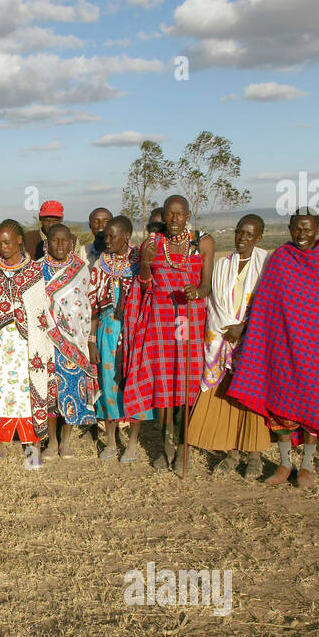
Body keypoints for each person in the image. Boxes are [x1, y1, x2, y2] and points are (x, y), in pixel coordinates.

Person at [227, 209, 319, 488]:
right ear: (290, 229)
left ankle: (307, 466)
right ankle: (284, 463)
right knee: (281, 405)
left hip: (315, 347)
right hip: (280, 344)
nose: (302, 235)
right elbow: (265, 301)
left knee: (312, 404)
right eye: (297, 229)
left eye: (308, 229)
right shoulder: (280, 258)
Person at [124, 194, 215, 471]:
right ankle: (165, 447)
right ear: (164, 216)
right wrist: (146, 264)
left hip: (189, 321)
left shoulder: (203, 242)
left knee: (186, 385)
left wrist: (195, 292)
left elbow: (206, 285)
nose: (174, 220)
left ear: (188, 215)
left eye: (180, 214)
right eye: (169, 214)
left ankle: (183, 448)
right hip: (160, 323)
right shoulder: (152, 244)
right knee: (164, 387)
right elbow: (142, 286)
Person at [0, 220, 70, 468]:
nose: (3, 247)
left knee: (28, 395)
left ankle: (33, 448)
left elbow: (40, 312)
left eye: (7, 241)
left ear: (19, 241)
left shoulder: (35, 272)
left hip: (28, 348)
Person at [186, 215, 270, 478]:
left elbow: (268, 304)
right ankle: (232, 453)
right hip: (222, 338)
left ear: (259, 239)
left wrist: (244, 327)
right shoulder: (223, 265)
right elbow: (213, 299)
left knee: (252, 396)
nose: (242, 239)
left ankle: (255, 456)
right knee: (228, 395)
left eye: (249, 235)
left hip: (253, 340)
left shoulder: (267, 264)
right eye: (239, 233)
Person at [90, 215, 150, 462]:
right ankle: (112, 441)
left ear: (126, 236)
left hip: (135, 332)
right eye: (105, 236)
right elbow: (92, 303)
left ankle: (133, 443)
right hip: (106, 332)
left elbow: (148, 295)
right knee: (108, 387)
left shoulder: (141, 262)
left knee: (134, 385)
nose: (107, 241)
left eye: (112, 236)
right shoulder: (101, 263)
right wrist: (92, 340)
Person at [40, 223, 99, 458]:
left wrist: (89, 339)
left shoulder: (81, 269)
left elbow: (89, 305)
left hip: (75, 341)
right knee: (50, 393)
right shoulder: (37, 270)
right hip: (47, 341)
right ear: (48, 241)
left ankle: (66, 441)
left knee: (73, 390)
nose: (61, 244)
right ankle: (52, 441)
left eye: (65, 240)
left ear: (72, 242)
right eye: (56, 240)